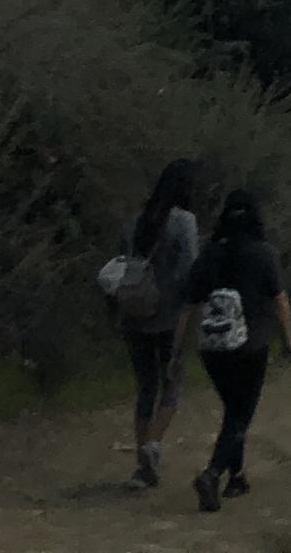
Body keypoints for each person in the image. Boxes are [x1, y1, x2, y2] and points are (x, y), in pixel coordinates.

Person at [171, 188, 291, 513]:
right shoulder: (263, 253)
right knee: (241, 413)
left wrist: (175, 355)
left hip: (213, 348)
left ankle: (237, 477)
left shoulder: (210, 254)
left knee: (233, 410)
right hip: (251, 346)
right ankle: (214, 472)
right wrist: (289, 340)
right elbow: (279, 299)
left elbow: (186, 306)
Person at [115, 159, 200, 490]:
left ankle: (140, 463)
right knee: (171, 382)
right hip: (169, 316)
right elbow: (189, 269)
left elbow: (119, 262)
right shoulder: (184, 222)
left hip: (134, 314)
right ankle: (153, 445)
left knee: (145, 387)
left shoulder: (136, 220)